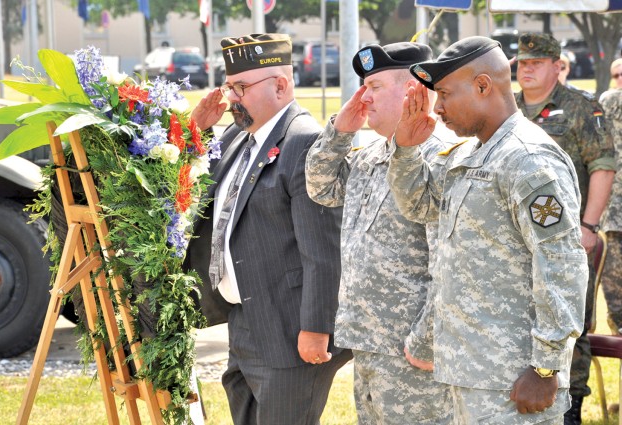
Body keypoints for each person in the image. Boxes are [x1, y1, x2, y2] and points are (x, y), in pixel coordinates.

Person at [387, 36, 588, 423]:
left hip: (514, 378)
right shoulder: (470, 153)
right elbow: (419, 206)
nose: (439, 107)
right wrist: (407, 150)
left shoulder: (528, 159)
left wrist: (545, 367)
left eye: (445, 94)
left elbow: (561, 264)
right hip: (470, 369)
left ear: (483, 85)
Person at [185, 33, 352, 425]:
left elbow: (323, 248)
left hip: (290, 330)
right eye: (229, 87)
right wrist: (197, 135)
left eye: (241, 88)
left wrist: (316, 328)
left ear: (281, 85)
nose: (232, 99)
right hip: (246, 322)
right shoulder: (234, 137)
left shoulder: (305, 141)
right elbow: (198, 200)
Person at [305, 42, 453, 424]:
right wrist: (339, 131)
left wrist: (424, 343)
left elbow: (452, 266)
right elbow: (320, 187)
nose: (364, 97)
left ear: (413, 91)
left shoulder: (442, 159)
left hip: (412, 350)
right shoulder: (371, 153)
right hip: (369, 341)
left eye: (374, 87)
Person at [514, 33, 616, 425]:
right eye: (522, 63)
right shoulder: (511, 108)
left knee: (570, 321)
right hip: (521, 241)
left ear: (558, 66)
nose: (527, 69)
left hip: (569, 238)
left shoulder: (580, 108)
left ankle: (570, 405)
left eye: (536, 63)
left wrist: (589, 226)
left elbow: (602, 166)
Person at [599, 58, 622, 334]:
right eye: (616, 75)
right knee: (614, 275)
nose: (619, 80)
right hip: (614, 209)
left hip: (613, 209)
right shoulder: (610, 101)